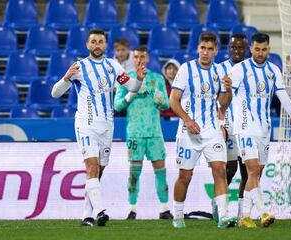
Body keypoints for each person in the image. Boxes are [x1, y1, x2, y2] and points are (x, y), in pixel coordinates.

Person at [51, 29, 147, 227]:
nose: (96, 45)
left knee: (98, 171)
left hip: (107, 126)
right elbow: (55, 93)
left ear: (105, 45)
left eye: (100, 42)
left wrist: (138, 78)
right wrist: (66, 78)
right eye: (93, 41)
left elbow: (132, 88)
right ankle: (101, 211)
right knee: (92, 167)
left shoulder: (113, 66)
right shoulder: (79, 67)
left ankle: (87, 216)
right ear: (87, 45)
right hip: (86, 124)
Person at [227, 33, 291, 228]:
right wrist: (222, 119)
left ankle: (245, 216)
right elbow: (227, 96)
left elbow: (282, 94)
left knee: (256, 173)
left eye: (264, 49)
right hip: (244, 127)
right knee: (251, 169)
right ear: (251, 49)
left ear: (268, 49)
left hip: (265, 128)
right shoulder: (240, 69)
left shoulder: (273, 70)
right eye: (257, 49)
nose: (260, 53)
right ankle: (264, 212)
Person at [169, 32, 238, 229]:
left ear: (216, 51)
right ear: (198, 48)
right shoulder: (186, 69)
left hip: (211, 130)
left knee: (220, 170)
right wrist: (187, 120)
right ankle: (178, 216)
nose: (205, 52)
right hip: (188, 132)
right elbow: (173, 100)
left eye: (210, 49)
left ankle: (224, 216)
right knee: (185, 176)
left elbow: (223, 105)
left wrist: (229, 91)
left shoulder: (219, 72)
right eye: (203, 48)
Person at [114, 46, 173, 220]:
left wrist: (161, 100)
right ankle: (132, 209)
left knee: (160, 170)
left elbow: (166, 106)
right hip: (135, 132)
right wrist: (131, 93)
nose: (139, 60)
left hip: (155, 132)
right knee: (134, 172)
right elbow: (117, 106)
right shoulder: (125, 79)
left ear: (147, 58)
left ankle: (164, 209)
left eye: (142, 56)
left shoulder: (156, 78)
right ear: (133, 59)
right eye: (136, 57)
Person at [214, 33, 249, 219]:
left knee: (246, 170)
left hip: (245, 124)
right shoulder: (220, 69)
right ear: (229, 48)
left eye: (240, 47)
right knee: (229, 169)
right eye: (233, 47)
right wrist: (219, 123)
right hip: (226, 124)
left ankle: (242, 214)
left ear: (247, 49)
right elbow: (215, 98)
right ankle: (219, 204)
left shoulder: (251, 69)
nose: (236, 50)